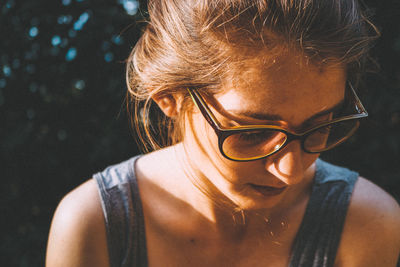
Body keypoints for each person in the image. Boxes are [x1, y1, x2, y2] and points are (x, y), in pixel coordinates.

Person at [46, 0, 400, 266]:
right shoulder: (95, 225)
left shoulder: (366, 225)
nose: (292, 170)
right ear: (169, 98)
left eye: (319, 126)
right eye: (252, 132)